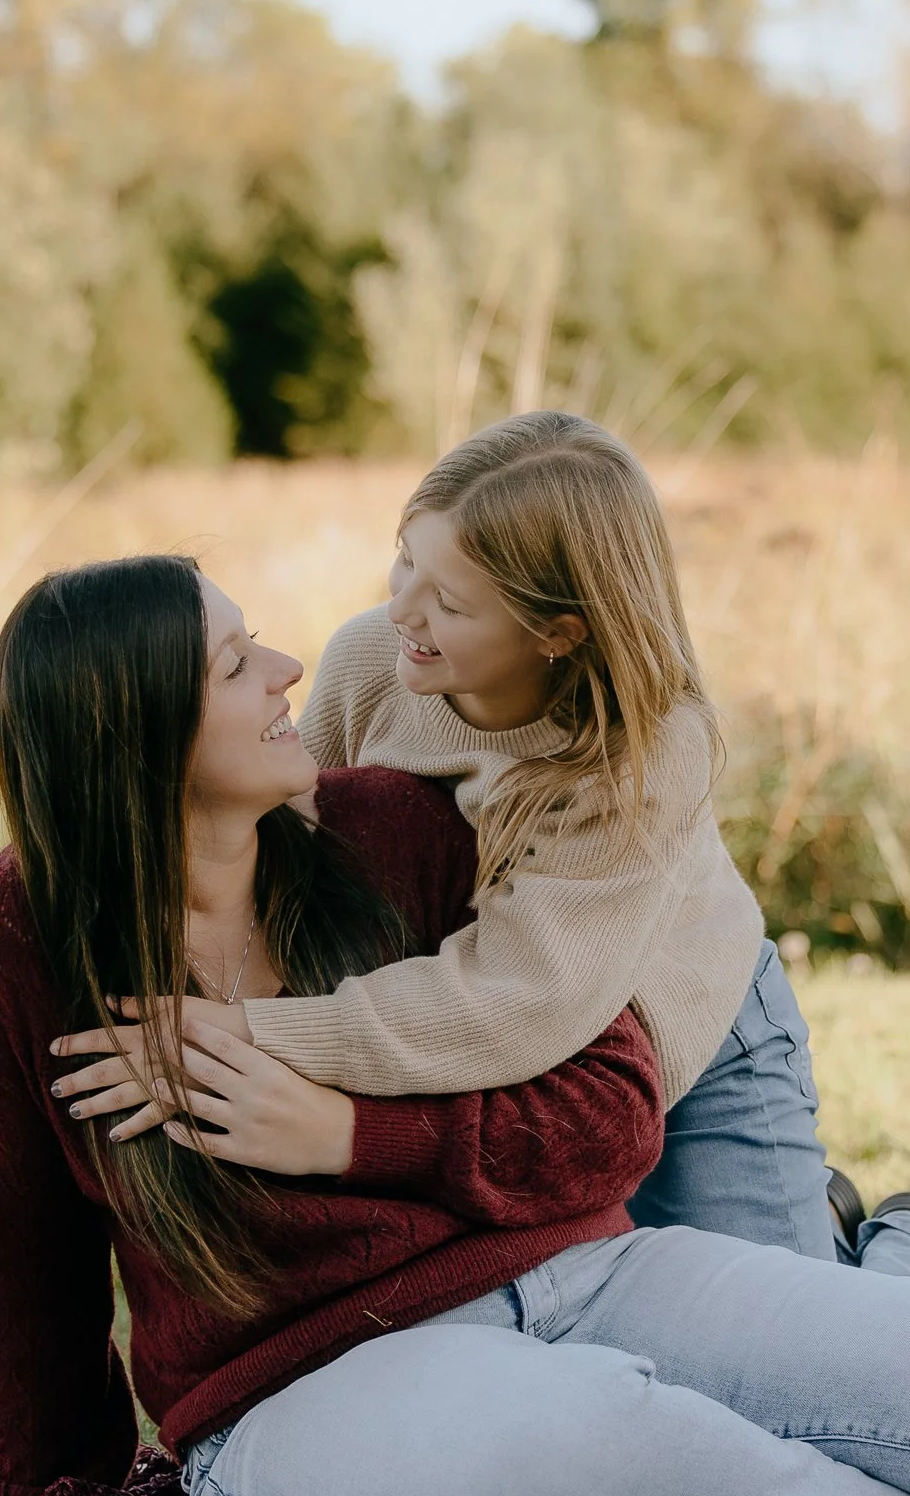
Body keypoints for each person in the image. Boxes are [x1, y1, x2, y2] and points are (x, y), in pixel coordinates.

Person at [0, 553, 910, 1496]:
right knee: (650, 1466)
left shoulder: (397, 829)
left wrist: (348, 1134)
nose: (287, 668)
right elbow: (22, 1259)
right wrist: (46, 1483)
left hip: (587, 1272)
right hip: (306, 1392)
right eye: (234, 661)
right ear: (134, 728)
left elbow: (612, 1110)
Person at [102, 413, 840, 1258]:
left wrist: (251, 1031)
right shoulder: (371, 661)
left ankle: (897, 1240)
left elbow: (521, 997)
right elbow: (295, 855)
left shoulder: (642, 749)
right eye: (405, 560)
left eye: (448, 603)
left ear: (557, 632)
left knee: (784, 1298)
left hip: (683, 1026)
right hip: (478, 1033)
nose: (400, 609)